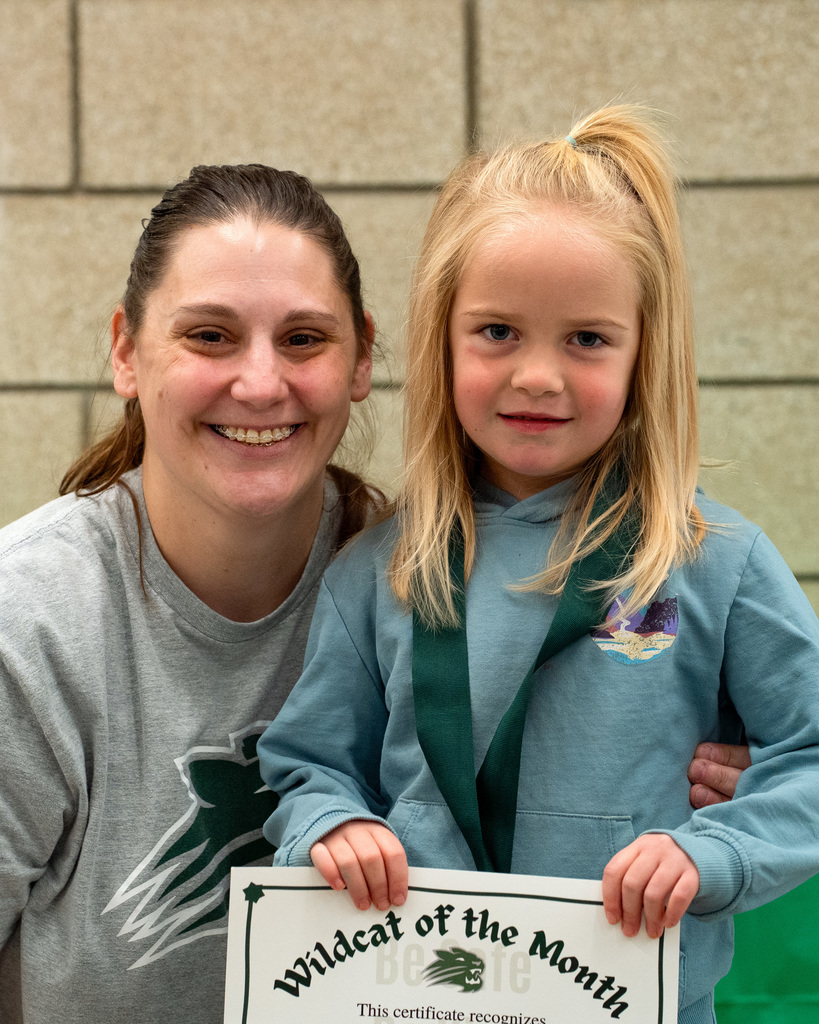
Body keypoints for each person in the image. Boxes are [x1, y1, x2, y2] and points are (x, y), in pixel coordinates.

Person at [259, 106, 819, 1024]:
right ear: (441, 338)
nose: (537, 376)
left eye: (587, 339)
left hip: (634, 1000)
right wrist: (333, 827)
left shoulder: (715, 564)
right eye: (497, 332)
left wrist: (711, 852)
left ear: (646, 356)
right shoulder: (377, 573)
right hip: (415, 996)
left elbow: (805, 759)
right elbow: (308, 764)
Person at [0, 164, 377, 1023]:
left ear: (359, 359)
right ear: (127, 352)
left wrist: (706, 760)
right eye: (209, 336)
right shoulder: (25, 622)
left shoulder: (425, 590)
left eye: (303, 339)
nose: (259, 382)